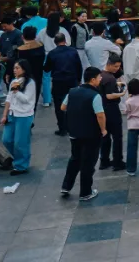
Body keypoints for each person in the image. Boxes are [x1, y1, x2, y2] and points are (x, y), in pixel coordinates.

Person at [61, 66, 108, 201]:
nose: (100, 79)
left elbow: (63, 107)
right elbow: (100, 115)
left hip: (74, 132)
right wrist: (103, 130)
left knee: (75, 159)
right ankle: (85, 192)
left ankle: (66, 186)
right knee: (88, 163)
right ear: (93, 80)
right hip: (91, 134)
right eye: (99, 77)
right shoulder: (95, 95)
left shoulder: (72, 91)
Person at [1, 60, 37, 175]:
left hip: (24, 115)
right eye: (14, 68)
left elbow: (26, 99)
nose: (15, 70)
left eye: (17, 68)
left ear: (24, 69)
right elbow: (8, 99)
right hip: (12, 114)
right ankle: (20, 158)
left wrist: (16, 91)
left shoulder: (30, 83)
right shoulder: (14, 81)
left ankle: (21, 165)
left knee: (20, 142)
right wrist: (4, 115)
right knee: (6, 139)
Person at [46, 31, 83, 135]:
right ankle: (72, 126)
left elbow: (47, 68)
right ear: (65, 41)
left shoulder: (52, 53)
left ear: (55, 42)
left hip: (58, 81)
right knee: (72, 103)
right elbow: (79, 66)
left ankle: (62, 128)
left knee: (59, 105)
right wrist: (79, 79)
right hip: (72, 80)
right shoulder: (73, 51)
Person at [99, 53, 128, 171]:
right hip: (112, 110)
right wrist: (121, 94)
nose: (117, 69)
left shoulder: (101, 75)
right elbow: (109, 95)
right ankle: (117, 162)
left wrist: (117, 84)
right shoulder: (110, 78)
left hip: (102, 109)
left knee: (105, 136)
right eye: (115, 66)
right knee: (117, 137)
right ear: (109, 64)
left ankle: (104, 161)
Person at [36, 13, 62, 107]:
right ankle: (59, 97)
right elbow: (68, 42)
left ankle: (46, 100)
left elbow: (37, 42)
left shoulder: (42, 31)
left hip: (46, 55)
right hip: (59, 55)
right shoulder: (62, 30)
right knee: (59, 76)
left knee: (46, 78)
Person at [15, 26, 47, 104]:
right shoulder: (41, 46)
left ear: (23, 36)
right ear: (35, 36)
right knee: (35, 96)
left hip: (23, 77)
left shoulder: (20, 50)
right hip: (38, 75)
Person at [0, 13, 23, 89]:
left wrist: (8, 57)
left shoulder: (18, 34)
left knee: (13, 79)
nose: (3, 28)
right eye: (2, 27)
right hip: (4, 61)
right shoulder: (3, 35)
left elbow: (19, 48)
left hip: (13, 61)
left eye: (5, 26)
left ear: (11, 24)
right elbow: (0, 46)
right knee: (5, 79)